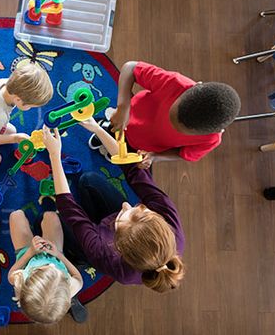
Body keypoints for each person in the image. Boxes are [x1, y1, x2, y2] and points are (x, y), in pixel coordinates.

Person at [42, 118, 185, 292]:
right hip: (112, 234)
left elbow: (70, 209)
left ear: (118, 243)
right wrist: (97, 129)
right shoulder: (169, 223)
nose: (126, 204)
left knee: (45, 220)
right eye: (138, 209)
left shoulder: (107, 257)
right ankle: (108, 221)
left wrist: (54, 155)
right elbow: (133, 168)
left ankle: (77, 256)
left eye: (122, 217)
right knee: (89, 180)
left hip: (96, 245)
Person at [90, 61, 241, 169]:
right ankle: (104, 131)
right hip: (124, 119)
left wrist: (156, 156)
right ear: (193, 87)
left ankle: (111, 149)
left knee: (117, 155)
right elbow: (130, 68)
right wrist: (123, 107)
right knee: (108, 130)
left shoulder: (211, 140)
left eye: (178, 129)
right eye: (172, 114)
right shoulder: (174, 83)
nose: (170, 123)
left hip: (140, 147)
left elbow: (183, 154)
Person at [8, 210, 84, 324]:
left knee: (15, 215)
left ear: (29, 279)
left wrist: (30, 252)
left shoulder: (22, 282)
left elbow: (11, 274)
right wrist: (59, 255)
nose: (52, 265)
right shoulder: (69, 287)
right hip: (55, 253)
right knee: (51, 216)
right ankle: (71, 301)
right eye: (56, 270)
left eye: (46, 268)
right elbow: (78, 278)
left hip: (27, 254)